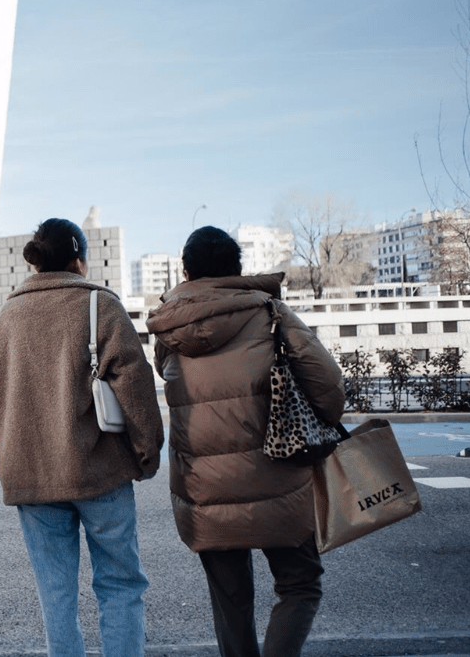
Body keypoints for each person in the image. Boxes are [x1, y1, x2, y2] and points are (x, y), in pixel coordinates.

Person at [145, 226, 345, 657]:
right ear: (238, 270)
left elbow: (168, 376)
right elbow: (329, 390)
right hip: (280, 477)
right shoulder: (271, 314)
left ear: (186, 270)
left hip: (204, 488)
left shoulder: (169, 329)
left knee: (230, 601)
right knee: (300, 584)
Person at [0, 218, 164, 657]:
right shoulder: (99, 304)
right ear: (79, 259)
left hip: (33, 475)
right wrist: (147, 451)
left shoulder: (9, 313)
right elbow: (135, 384)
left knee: (56, 595)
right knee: (120, 583)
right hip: (99, 468)